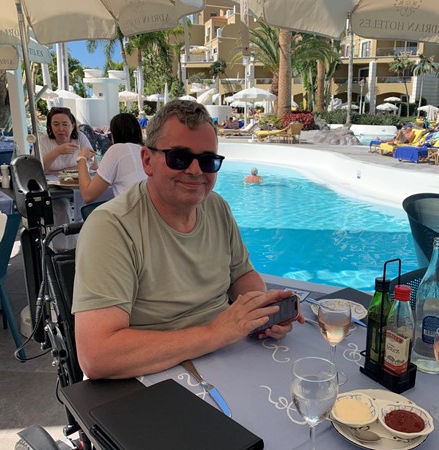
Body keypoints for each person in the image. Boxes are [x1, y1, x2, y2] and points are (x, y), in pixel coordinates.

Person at [72, 100, 303, 379]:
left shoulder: (216, 207)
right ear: (148, 161)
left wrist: (261, 312)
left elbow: (242, 275)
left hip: (227, 355)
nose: (195, 171)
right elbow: (97, 356)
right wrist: (214, 333)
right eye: (179, 158)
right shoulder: (111, 226)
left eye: (208, 160)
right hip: (151, 376)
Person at [39, 106, 99, 249]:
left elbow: (94, 164)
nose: (61, 129)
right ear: (50, 126)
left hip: (79, 186)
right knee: (62, 206)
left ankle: (91, 245)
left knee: (96, 201)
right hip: (54, 190)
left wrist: (63, 169)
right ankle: (65, 250)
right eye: (56, 124)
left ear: (72, 125)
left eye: (65, 124)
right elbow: (40, 169)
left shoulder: (80, 138)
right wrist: (57, 151)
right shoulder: (44, 141)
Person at [77, 113, 147, 203]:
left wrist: (81, 158)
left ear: (114, 134)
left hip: (131, 213)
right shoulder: (146, 151)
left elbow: (88, 195)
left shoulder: (117, 149)